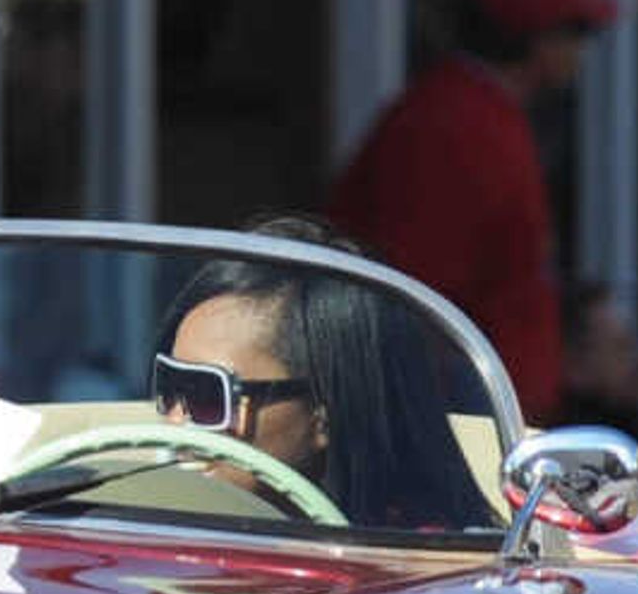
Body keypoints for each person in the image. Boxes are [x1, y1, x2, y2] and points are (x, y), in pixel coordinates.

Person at [325, 0, 617, 422]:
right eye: (573, 31)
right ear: (534, 38)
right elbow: (416, 290)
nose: (580, 50)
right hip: (459, 419)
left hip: (487, 408)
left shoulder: (477, 111)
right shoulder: (455, 125)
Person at [146, 217, 495, 531]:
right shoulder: (132, 526)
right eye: (170, 385)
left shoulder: (425, 569)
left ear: (324, 414)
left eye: (208, 394)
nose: (176, 424)